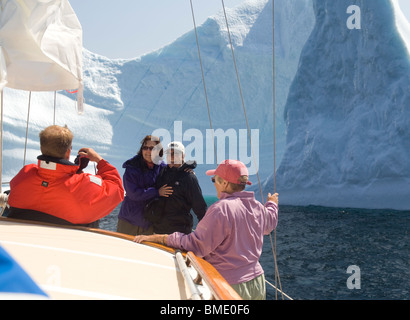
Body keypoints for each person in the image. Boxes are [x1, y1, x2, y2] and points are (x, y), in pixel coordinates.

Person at [134, 159, 279, 300]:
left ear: (225, 183)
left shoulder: (221, 209)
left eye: (214, 180)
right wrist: (272, 204)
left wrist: (162, 238)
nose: (214, 183)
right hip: (257, 282)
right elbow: (269, 224)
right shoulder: (258, 207)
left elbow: (197, 245)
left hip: (229, 284)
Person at [7, 125, 124, 227]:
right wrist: (99, 161)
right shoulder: (82, 184)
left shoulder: (25, 173)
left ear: (42, 148)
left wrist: (75, 171)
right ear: (68, 152)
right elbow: (116, 189)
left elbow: (50, 182)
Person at [143, 141, 207, 234]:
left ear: (183, 156)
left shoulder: (189, 177)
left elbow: (200, 208)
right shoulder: (162, 172)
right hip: (157, 231)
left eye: (175, 153)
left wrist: (206, 233)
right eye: (169, 153)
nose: (171, 157)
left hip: (179, 234)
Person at [117, 135, 171, 236]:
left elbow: (174, 174)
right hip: (129, 221)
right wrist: (156, 192)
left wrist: (187, 172)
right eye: (145, 148)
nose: (148, 151)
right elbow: (133, 194)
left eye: (152, 148)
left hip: (149, 223)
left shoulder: (162, 167)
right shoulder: (132, 167)